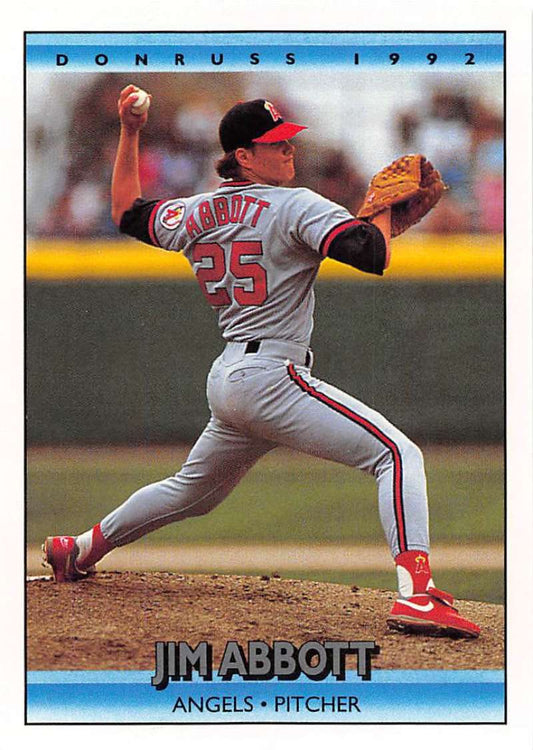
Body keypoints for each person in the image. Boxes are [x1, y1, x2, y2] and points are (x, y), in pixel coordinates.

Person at [43, 84, 480, 638]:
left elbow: (127, 212)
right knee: (397, 454)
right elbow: (371, 254)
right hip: (273, 374)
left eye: (288, 140)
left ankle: (78, 549)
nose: (288, 150)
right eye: (274, 145)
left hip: (230, 377)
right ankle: (417, 596)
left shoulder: (195, 209)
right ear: (243, 156)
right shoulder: (296, 203)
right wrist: (385, 217)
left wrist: (130, 133)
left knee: (190, 492)